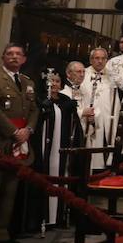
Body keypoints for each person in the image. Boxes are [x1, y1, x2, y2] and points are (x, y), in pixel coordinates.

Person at [0, 43, 39, 243]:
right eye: (10, 54)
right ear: (3, 57)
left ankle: (1, 232)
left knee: (9, 189)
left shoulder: (27, 81)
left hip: (20, 143)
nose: (14, 57)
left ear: (24, 59)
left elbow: (33, 110)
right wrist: (14, 132)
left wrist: (28, 130)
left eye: (18, 54)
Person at [31, 71, 82, 228]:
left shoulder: (65, 101)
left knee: (60, 178)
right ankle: (41, 218)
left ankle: (59, 217)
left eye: (57, 81)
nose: (54, 84)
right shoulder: (39, 101)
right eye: (50, 81)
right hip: (43, 151)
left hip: (61, 151)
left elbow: (75, 127)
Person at [79, 48, 123, 171]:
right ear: (91, 59)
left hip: (107, 117)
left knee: (105, 141)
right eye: (96, 58)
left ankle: (104, 171)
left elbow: (120, 98)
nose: (100, 61)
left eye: (103, 58)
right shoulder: (83, 73)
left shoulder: (112, 76)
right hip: (88, 117)